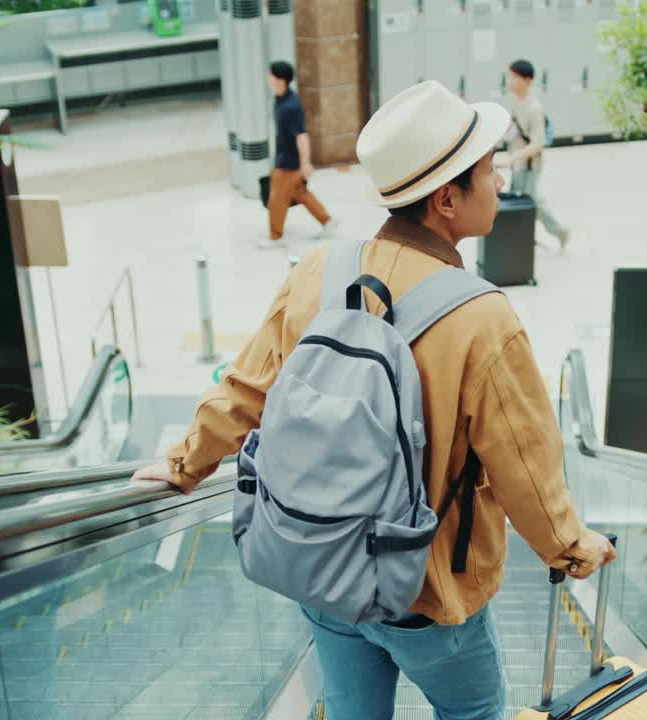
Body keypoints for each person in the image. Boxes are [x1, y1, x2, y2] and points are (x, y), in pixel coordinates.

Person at [132, 80, 615, 720]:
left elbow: (247, 387)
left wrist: (184, 463)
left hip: (323, 570)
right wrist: (573, 550)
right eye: (488, 171)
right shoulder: (483, 319)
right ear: (447, 198)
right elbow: (525, 466)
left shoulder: (317, 272)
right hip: (430, 590)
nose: (500, 182)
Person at [262, 60, 336, 249]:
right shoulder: (280, 99)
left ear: (280, 80)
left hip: (289, 162)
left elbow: (302, 136)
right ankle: (327, 221)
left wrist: (306, 163)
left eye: (270, 74)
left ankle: (275, 236)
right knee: (300, 192)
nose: (267, 77)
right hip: (284, 157)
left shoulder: (291, 106)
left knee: (276, 198)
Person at [500, 59, 570, 253]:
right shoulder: (517, 102)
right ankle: (521, 238)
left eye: (514, 77)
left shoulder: (534, 108)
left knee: (530, 202)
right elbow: (516, 131)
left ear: (527, 80)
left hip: (529, 164)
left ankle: (560, 231)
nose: (510, 81)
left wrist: (512, 159)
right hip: (518, 162)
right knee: (519, 199)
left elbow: (537, 145)